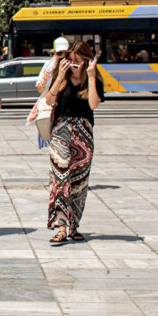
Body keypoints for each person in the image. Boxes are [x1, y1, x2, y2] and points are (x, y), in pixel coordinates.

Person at [44, 40, 104, 244]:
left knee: (79, 182)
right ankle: (60, 227)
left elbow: (94, 105)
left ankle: (74, 226)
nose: (73, 63)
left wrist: (93, 76)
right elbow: (49, 101)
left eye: (78, 60)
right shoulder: (61, 78)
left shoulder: (92, 80)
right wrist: (60, 74)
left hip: (84, 133)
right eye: (70, 59)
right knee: (59, 179)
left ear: (86, 61)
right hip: (61, 131)